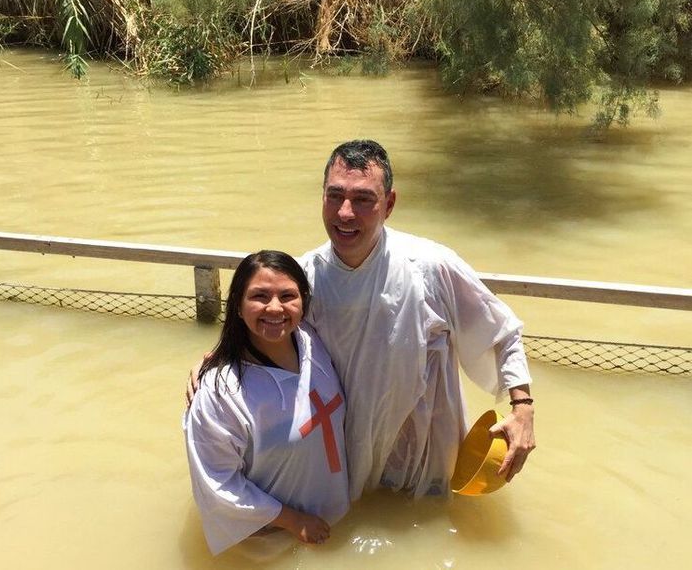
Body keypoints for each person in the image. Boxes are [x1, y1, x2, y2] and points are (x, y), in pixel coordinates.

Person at [187, 139, 535, 502]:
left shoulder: (431, 266)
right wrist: (217, 357)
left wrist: (522, 408)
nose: (345, 213)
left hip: (425, 449)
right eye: (335, 196)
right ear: (321, 197)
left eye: (363, 199)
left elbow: (501, 333)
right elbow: (268, 326)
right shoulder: (305, 277)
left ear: (390, 204)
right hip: (345, 449)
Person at [183, 250, 349, 557]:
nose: (275, 308)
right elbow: (217, 484)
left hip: (338, 518)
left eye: (288, 295)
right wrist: (294, 520)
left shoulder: (314, 341)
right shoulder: (220, 394)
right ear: (237, 306)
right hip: (273, 543)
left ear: (304, 302)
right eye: (259, 296)